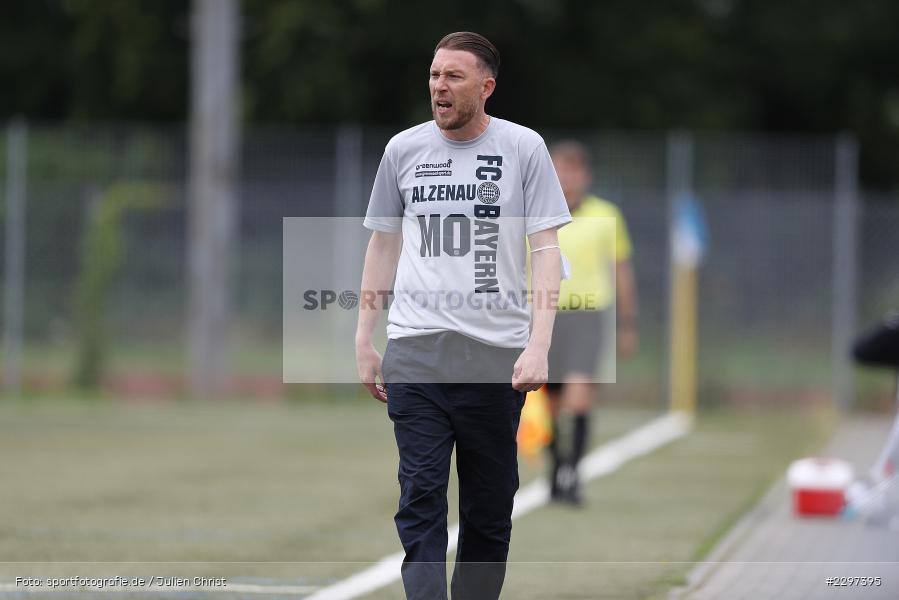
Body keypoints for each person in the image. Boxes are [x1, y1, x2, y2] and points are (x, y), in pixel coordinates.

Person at [354, 32, 571, 600]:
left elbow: (547, 250)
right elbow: (382, 245)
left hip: (495, 357)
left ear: (486, 86)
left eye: (453, 76)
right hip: (417, 349)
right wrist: (364, 338)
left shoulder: (524, 149)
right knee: (420, 497)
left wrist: (538, 343)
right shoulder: (403, 150)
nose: (438, 87)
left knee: (489, 510)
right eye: (433, 75)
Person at [544, 140, 638, 505]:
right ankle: (555, 469)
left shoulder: (606, 215)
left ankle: (574, 475)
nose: (566, 178)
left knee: (579, 397)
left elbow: (621, 271)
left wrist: (628, 323)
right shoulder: (536, 214)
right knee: (549, 403)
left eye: (573, 171)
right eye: (559, 170)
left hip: (589, 316)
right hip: (546, 315)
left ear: (586, 176)